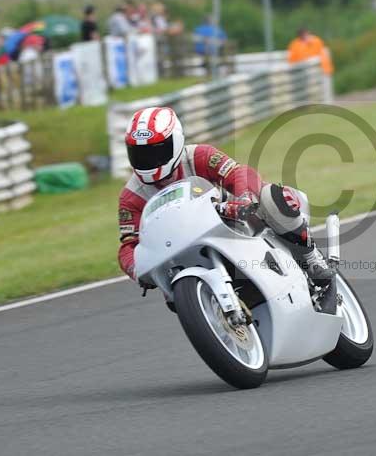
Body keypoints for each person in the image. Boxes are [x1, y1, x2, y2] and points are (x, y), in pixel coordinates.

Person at [117, 106, 336, 308]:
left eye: (155, 152)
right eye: (140, 154)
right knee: (174, 299)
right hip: (180, 255)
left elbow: (240, 173)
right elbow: (129, 245)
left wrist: (242, 200)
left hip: (229, 223)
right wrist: (139, 270)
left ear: (175, 143)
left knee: (271, 195)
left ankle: (310, 256)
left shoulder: (199, 156)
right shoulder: (131, 196)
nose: (148, 161)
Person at [287, 27, 334, 102]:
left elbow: (318, 53)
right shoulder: (295, 44)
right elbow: (292, 59)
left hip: (321, 70)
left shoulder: (315, 41)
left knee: (324, 90)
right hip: (301, 72)